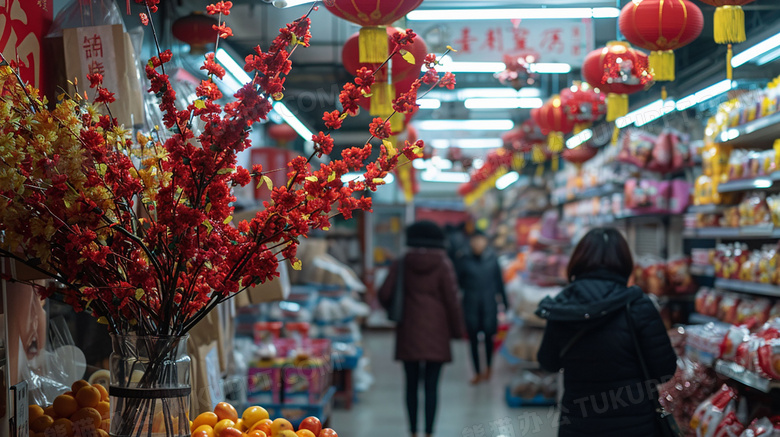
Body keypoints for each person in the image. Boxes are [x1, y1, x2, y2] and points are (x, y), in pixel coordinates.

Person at [535, 228, 678, 437]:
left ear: (578, 260)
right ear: (624, 262)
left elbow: (548, 362)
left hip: (578, 425)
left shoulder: (562, 306)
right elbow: (664, 370)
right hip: (635, 426)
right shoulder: (638, 306)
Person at [379, 221, 464, 437]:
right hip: (437, 332)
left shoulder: (402, 262)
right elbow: (452, 301)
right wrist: (456, 331)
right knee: (432, 387)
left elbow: (384, 293)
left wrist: (396, 310)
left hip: (408, 330)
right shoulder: (444, 264)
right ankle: (429, 432)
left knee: (411, 384)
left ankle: (413, 431)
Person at [455, 231, 508, 384]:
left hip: (489, 304)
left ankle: (489, 368)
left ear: (485, 242)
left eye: (481, 240)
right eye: (475, 240)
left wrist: (504, 303)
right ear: (470, 242)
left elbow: (499, 283)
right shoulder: (464, 260)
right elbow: (458, 284)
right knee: (472, 339)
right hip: (470, 304)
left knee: (489, 338)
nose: (478, 243)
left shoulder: (492, 260)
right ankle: (477, 372)